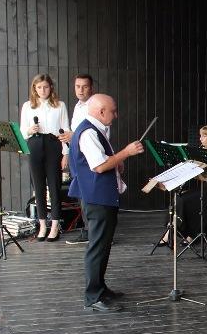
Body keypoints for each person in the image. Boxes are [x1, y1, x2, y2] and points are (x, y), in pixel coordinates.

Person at [68, 94, 144, 311]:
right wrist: (126, 153)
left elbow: (102, 161)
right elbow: (100, 166)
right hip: (96, 198)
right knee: (97, 246)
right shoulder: (89, 132)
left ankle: (100, 288)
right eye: (113, 111)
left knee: (103, 245)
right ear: (101, 112)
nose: (116, 115)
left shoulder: (94, 129)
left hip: (99, 196)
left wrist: (116, 162)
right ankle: (93, 297)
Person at [20, 74, 70, 242]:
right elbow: (22, 131)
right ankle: (42, 225)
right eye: (39, 87)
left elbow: (65, 130)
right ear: (34, 89)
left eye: (46, 87)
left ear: (51, 88)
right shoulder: (28, 106)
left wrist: (66, 153)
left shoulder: (60, 105)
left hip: (53, 144)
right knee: (38, 187)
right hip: (34, 144)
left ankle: (54, 226)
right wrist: (30, 130)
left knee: (54, 186)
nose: (43, 90)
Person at [169, 125, 207, 246]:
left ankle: (193, 234)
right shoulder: (203, 150)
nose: (200, 139)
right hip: (206, 185)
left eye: (204, 136)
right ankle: (177, 232)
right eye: (200, 136)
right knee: (181, 198)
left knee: (191, 200)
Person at [63, 74, 95, 244]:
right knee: (82, 194)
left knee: (90, 194)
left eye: (85, 86)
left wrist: (73, 135)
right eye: (77, 86)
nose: (80, 90)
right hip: (78, 155)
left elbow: (97, 132)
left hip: (90, 157)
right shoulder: (78, 106)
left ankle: (94, 233)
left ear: (91, 88)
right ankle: (89, 230)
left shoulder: (95, 105)